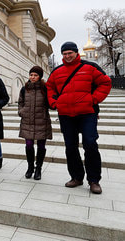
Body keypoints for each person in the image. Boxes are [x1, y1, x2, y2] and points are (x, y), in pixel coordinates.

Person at [46, 41, 111, 194]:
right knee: (70, 146)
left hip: (87, 113)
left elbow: (105, 82)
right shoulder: (57, 71)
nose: (67, 56)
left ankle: (94, 180)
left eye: (70, 53)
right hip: (66, 114)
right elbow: (49, 87)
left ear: (76, 53)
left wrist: (93, 99)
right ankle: (76, 177)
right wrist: (54, 102)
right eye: (64, 54)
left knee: (90, 144)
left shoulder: (89, 67)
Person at [18, 66, 52, 180]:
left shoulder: (45, 88)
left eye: (35, 75)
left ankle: (38, 168)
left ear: (40, 77)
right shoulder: (24, 88)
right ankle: (30, 167)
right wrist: (21, 111)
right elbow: (20, 102)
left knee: (41, 147)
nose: (32, 77)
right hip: (27, 120)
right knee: (28, 145)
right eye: (31, 75)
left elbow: (51, 104)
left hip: (41, 121)